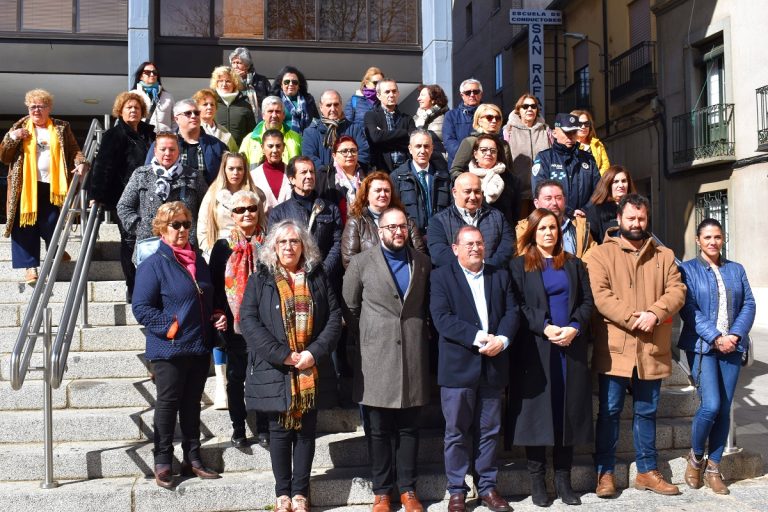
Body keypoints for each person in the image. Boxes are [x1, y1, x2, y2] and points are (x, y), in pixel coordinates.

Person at [583, 193, 686, 498]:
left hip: (652, 345)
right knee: (610, 411)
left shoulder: (664, 254)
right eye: (631, 218)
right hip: (616, 346)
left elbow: (677, 290)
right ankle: (605, 473)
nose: (637, 223)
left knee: (647, 410)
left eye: (642, 218)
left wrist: (655, 313)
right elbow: (600, 296)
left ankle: (647, 471)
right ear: (619, 218)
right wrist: (632, 318)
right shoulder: (600, 254)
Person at [240, 219, 341, 512]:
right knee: (280, 431)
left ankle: (300, 493)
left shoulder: (317, 276)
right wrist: (282, 354)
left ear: (304, 247)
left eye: (294, 242)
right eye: (282, 242)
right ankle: (282, 493)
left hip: (310, 366)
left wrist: (314, 353)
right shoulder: (261, 278)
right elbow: (248, 320)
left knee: (307, 432)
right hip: (277, 367)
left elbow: (334, 318)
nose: (288, 247)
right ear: (273, 246)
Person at [131, 201, 226, 489]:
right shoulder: (153, 264)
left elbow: (208, 294)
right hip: (169, 348)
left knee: (192, 405)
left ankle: (193, 458)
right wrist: (170, 326)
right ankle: (162, 460)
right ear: (162, 228)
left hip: (198, 345)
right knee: (168, 404)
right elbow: (141, 307)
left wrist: (217, 313)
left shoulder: (198, 260)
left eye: (186, 224)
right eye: (176, 225)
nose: (183, 230)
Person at [343, 207, 431, 512]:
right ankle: (381, 492)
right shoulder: (361, 262)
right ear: (380, 231)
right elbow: (350, 306)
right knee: (378, 430)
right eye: (391, 227)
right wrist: (370, 334)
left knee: (409, 429)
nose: (397, 231)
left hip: (412, 355)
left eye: (402, 226)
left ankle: (408, 490)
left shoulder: (421, 262)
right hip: (376, 357)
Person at [508, 208, 595, 507]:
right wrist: (544, 328)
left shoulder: (574, 264)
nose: (549, 233)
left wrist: (574, 327)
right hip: (537, 350)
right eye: (543, 228)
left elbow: (586, 302)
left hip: (569, 348)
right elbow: (518, 305)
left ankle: (563, 480)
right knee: (537, 415)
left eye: (553, 228)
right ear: (532, 231)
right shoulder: (518, 266)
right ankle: (537, 480)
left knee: (565, 413)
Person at [430, 226, 518, 512]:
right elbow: (442, 318)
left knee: (489, 431)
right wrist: (481, 337)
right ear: (455, 249)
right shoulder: (441, 277)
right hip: (458, 368)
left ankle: (488, 488)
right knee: (456, 432)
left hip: (493, 366)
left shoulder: (499, 275)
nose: (474, 248)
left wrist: (502, 340)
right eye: (468, 244)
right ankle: (457, 490)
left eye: (479, 243)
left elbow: (511, 312)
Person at [678, 218, 756, 495]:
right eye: (707, 237)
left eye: (717, 237)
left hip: (732, 347)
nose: (713, 242)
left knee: (725, 408)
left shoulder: (736, 269)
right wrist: (716, 337)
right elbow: (689, 309)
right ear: (698, 240)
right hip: (702, 347)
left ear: (723, 240)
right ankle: (696, 456)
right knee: (710, 405)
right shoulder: (687, 270)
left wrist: (734, 335)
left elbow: (749, 302)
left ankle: (714, 467)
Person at [1, 88, 89, 285]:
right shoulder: (19, 127)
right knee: (24, 225)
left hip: (53, 186)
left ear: (49, 108)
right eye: (32, 106)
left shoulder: (61, 127)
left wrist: (81, 162)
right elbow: (4, 157)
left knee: (51, 222)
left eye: (41, 106)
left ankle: (55, 250)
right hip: (25, 188)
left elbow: (74, 150)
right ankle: (30, 267)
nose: (36, 110)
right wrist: (12, 138)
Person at [209, 190, 270, 448]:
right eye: (240, 210)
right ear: (232, 215)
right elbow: (214, 286)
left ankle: (265, 427)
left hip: (266, 322)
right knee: (236, 377)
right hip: (234, 324)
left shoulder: (270, 243)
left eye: (251, 209)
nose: (246, 214)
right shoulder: (223, 247)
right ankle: (238, 428)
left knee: (265, 376)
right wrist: (219, 314)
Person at [88, 91, 155, 301]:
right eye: (129, 108)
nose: (133, 111)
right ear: (120, 111)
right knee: (129, 241)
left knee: (151, 241)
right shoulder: (113, 135)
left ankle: (150, 287)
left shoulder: (150, 134)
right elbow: (103, 166)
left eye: (136, 107)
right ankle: (133, 287)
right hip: (125, 197)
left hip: (151, 196)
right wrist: (96, 195)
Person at [117, 132, 208, 250]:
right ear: (155, 151)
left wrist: (193, 232)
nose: (167, 153)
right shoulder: (141, 175)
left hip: (185, 246)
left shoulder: (194, 176)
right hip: (149, 244)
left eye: (172, 149)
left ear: (178, 151)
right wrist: (141, 228)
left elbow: (207, 210)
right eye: (163, 149)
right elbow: (124, 206)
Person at [268, 157, 343, 285]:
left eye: (312, 172)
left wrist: (324, 270)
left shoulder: (330, 208)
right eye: (303, 172)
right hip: (291, 280)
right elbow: (273, 247)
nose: (309, 176)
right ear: (292, 178)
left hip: (325, 280)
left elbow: (338, 242)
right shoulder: (279, 213)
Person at [427, 172, 514, 269]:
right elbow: (439, 254)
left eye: (477, 191)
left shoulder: (498, 217)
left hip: (492, 277)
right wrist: (470, 268)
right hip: (456, 280)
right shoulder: (438, 221)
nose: (473, 197)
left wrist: (486, 268)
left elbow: (507, 247)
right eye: (467, 191)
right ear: (454, 192)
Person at [341, 172, 426, 269]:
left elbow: (420, 254)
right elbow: (349, 260)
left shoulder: (406, 221)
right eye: (378, 190)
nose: (383, 194)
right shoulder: (356, 222)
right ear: (367, 194)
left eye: (386, 190)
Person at [144, 99, 228, 185]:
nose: (193, 116)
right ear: (176, 119)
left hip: (207, 196)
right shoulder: (161, 144)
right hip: (170, 196)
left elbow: (227, 176)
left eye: (196, 113)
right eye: (188, 113)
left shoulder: (217, 145)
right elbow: (148, 174)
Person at [531, 113, 600, 217]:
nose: (571, 136)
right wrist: (568, 211)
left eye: (574, 132)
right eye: (567, 132)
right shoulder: (544, 158)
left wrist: (585, 210)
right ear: (554, 133)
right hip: (555, 219)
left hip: (584, 219)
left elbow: (599, 191)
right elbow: (539, 192)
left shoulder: (588, 159)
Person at [198, 151, 263, 259]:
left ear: (245, 170)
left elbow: (262, 225)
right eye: (231, 168)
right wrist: (210, 251)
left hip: (251, 252)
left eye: (239, 168)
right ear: (224, 170)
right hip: (219, 251)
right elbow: (202, 228)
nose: (235, 173)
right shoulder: (212, 194)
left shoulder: (255, 194)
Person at [391, 129, 452, 236]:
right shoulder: (397, 177)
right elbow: (393, 212)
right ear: (410, 149)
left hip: (441, 236)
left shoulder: (444, 176)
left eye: (426, 146)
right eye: (418, 146)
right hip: (411, 239)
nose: (423, 151)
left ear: (432, 148)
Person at [517, 180, 596, 259]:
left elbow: (592, 253)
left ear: (564, 200)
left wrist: (578, 268)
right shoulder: (524, 229)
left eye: (558, 198)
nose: (554, 203)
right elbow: (524, 260)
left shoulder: (580, 226)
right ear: (536, 203)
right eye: (548, 199)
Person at [502, 93, 551, 218]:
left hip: (541, 190)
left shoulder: (546, 130)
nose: (530, 109)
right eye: (525, 106)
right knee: (520, 229)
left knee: (539, 227)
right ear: (519, 110)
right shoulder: (509, 130)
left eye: (533, 106)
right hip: (518, 190)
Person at [301, 89, 370, 170]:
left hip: (350, 177)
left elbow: (363, 154)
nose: (333, 109)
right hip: (321, 179)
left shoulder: (354, 129)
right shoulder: (310, 132)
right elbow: (310, 158)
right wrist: (328, 174)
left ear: (341, 105)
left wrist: (345, 171)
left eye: (336, 104)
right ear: (321, 107)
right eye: (328, 105)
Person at [462, 134, 518, 226]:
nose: (488, 153)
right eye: (483, 150)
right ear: (475, 154)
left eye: (493, 151)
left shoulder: (511, 180)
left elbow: (514, 215)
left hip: (502, 230)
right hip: (471, 231)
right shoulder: (465, 179)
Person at [449, 103, 513, 182]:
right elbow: (455, 170)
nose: (494, 121)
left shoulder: (504, 144)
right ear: (479, 120)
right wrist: (473, 184)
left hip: (501, 190)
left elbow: (510, 173)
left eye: (497, 118)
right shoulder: (470, 141)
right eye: (489, 117)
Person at [363, 78, 416, 174]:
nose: (391, 95)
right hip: (381, 169)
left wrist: (384, 137)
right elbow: (375, 137)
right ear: (378, 95)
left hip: (405, 171)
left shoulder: (407, 118)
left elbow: (413, 141)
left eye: (394, 91)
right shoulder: (371, 116)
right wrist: (403, 133)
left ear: (398, 94)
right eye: (387, 92)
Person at [314, 135, 369, 223]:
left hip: (364, 227)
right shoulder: (323, 176)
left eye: (353, 151)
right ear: (334, 155)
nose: (350, 154)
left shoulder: (367, 176)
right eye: (344, 151)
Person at [240, 96, 303, 165]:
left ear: (284, 115)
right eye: (270, 111)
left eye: (277, 111)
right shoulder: (249, 140)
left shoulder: (296, 138)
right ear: (263, 115)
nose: (274, 115)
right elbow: (241, 167)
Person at [584, 165, 637, 243]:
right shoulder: (596, 210)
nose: (621, 185)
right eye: (616, 182)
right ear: (608, 184)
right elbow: (591, 242)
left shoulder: (637, 207)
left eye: (624, 181)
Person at [211, 66, 257, 147]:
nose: (224, 84)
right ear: (216, 83)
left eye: (228, 81)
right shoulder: (211, 104)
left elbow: (252, 133)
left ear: (234, 83)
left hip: (239, 153)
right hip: (215, 152)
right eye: (220, 81)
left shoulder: (245, 105)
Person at [249, 129, 293, 213]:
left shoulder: (292, 173)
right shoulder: (253, 176)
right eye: (270, 146)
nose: (275, 150)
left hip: (289, 224)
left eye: (278, 146)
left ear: (283, 147)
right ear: (262, 148)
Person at [444, 78, 483, 166]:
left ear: (481, 94)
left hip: (485, 165)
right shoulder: (451, 115)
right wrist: (468, 156)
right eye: (468, 92)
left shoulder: (489, 114)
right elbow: (449, 141)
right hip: (460, 165)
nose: (472, 95)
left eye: (476, 92)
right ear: (462, 95)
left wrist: (481, 156)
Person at [270, 66, 319, 136]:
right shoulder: (274, 100)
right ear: (281, 85)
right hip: (281, 141)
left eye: (294, 82)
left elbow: (316, 121)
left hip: (306, 140)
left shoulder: (308, 100)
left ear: (299, 85)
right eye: (286, 82)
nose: (291, 84)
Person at [131, 61, 175, 132]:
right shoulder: (132, 95)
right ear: (140, 76)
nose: (152, 74)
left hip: (164, 139)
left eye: (154, 72)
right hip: (142, 139)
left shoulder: (168, 97)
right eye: (147, 72)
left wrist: (173, 136)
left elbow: (175, 121)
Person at [228, 47, 271, 120]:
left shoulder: (262, 81)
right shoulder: (229, 81)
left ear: (247, 65)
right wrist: (238, 80)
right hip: (239, 118)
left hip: (259, 119)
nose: (235, 66)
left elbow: (269, 100)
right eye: (233, 63)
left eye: (238, 63)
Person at [413, 84, 449, 158]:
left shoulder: (446, 118)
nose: (418, 99)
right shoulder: (418, 118)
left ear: (433, 99)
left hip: (440, 162)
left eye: (422, 95)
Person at [571, 109, 610, 174]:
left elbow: (605, 166)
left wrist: (596, 179)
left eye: (586, 124)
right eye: (579, 124)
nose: (583, 127)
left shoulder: (597, 144)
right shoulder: (569, 145)